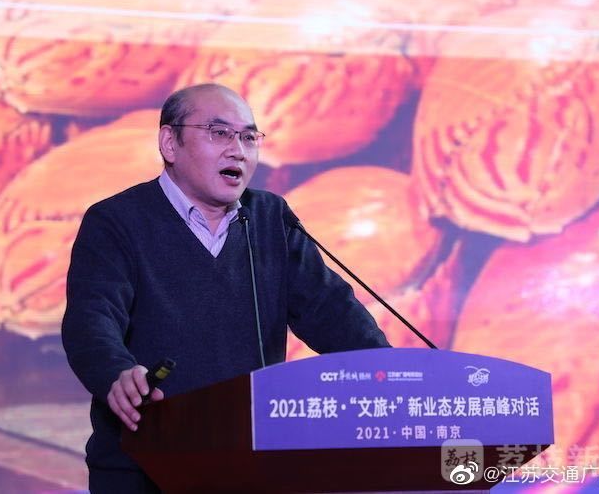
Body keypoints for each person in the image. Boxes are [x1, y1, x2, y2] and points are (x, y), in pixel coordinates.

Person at [61, 83, 390, 492]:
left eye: (249, 138)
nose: (238, 151)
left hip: (246, 466)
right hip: (146, 469)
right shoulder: (117, 222)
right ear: (170, 143)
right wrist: (116, 373)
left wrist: (392, 374)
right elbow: (91, 320)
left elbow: (332, 313)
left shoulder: (270, 218)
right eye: (219, 133)